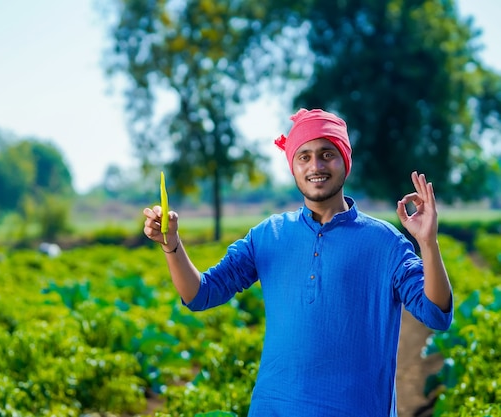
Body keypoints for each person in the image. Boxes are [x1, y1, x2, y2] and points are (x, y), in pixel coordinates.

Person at [142, 108, 453, 416]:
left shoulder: (385, 242)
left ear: (345, 160)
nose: (315, 165)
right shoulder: (268, 235)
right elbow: (201, 294)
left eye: (327, 154)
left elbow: (436, 314)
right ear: (293, 166)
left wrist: (427, 242)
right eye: (304, 156)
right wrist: (173, 247)